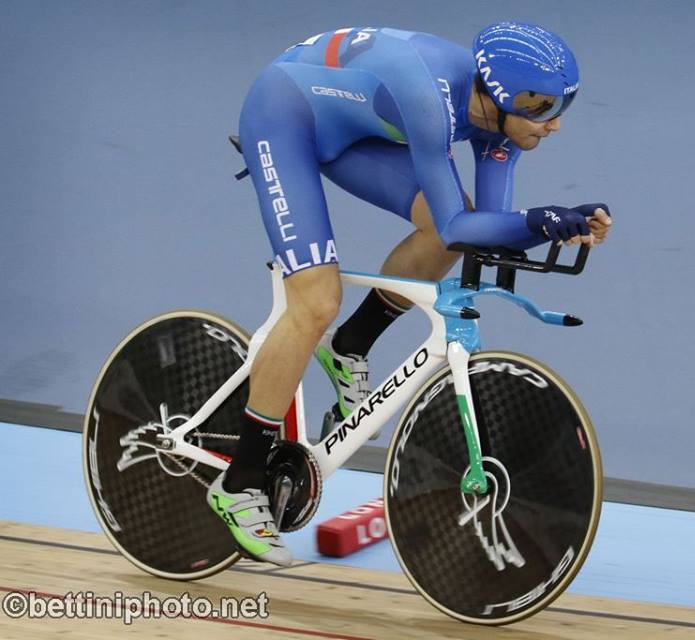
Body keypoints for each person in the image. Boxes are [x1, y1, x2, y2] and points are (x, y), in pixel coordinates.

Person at [206, 21, 613, 566]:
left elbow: (485, 229)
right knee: (316, 302)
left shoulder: (502, 122)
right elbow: (461, 225)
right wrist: (540, 220)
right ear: (503, 96)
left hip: (355, 124)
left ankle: (348, 348)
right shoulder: (431, 99)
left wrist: (560, 223)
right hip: (284, 115)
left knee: (447, 234)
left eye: (561, 105)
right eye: (543, 107)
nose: (555, 123)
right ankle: (239, 481)